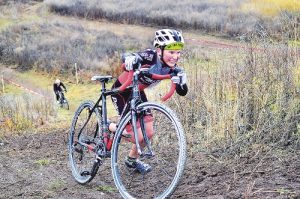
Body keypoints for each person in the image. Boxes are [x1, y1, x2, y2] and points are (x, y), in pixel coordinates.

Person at [109, 29, 188, 174]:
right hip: (122, 91)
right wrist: (129, 60)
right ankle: (111, 126)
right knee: (136, 136)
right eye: (171, 52)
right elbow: (128, 56)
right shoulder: (150, 56)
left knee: (149, 133)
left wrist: (182, 81)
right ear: (159, 50)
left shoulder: (173, 69)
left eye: (178, 52)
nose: (175, 57)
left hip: (137, 92)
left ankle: (131, 160)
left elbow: (182, 92)